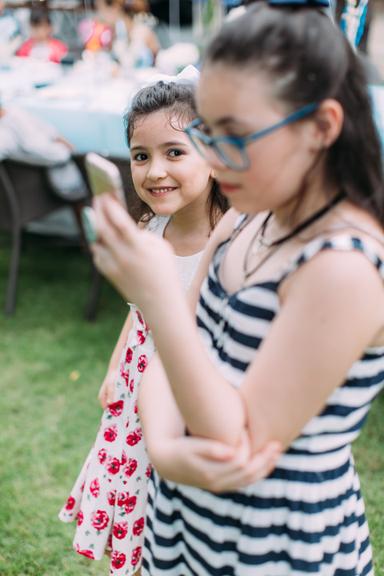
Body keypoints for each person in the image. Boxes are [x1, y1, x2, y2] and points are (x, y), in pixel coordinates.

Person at [89, 0, 384, 573]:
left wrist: (157, 299)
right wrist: (169, 455)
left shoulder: (344, 266)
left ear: (322, 127)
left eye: (236, 136)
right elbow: (163, 367)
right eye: (209, 134)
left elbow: (231, 439)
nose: (216, 162)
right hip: (184, 521)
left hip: (272, 543)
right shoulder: (246, 218)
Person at [59, 76, 276, 575]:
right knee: (133, 503)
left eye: (175, 152)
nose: (155, 170)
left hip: (191, 395)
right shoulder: (147, 230)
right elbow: (138, 311)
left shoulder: (231, 240)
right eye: (140, 156)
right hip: (137, 393)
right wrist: (116, 367)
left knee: (177, 517)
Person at [96, 0, 159, 67]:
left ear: (114, 8)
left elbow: (159, 63)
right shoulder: (114, 35)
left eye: (101, 10)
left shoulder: (144, 32)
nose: (100, 16)